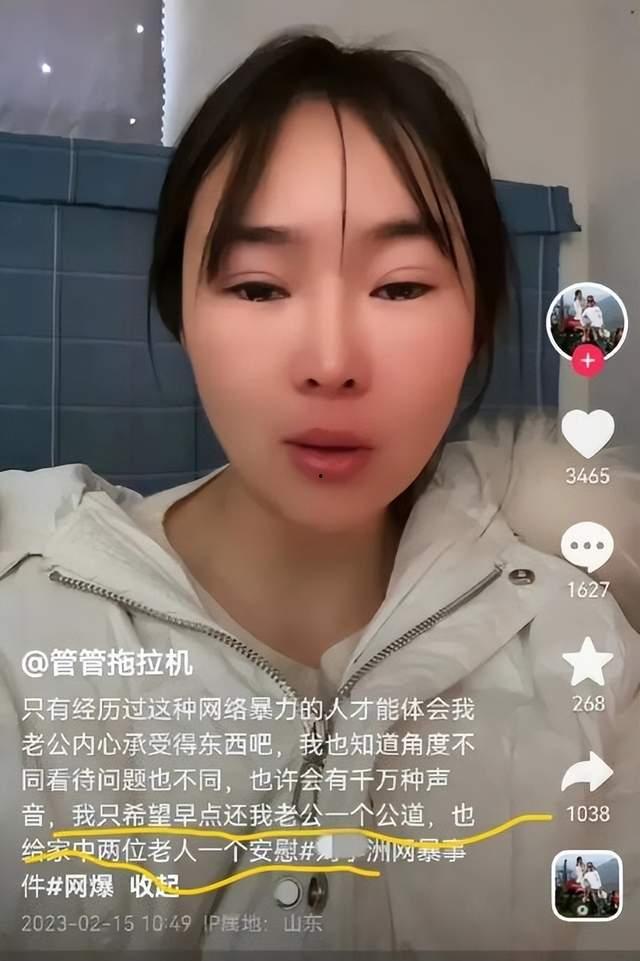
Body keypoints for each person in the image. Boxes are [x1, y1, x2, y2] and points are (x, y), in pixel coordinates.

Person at [1, 29, 639, 956]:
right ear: (182, 311)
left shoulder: (582, 654)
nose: (332, 362)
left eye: (401, 287)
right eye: (260, 288)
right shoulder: (24, 628)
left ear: (478, 322)